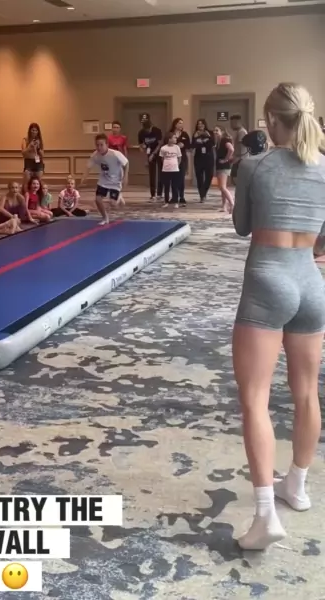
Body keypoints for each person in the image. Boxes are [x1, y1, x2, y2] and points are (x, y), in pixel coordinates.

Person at [232, 82, 325, 551]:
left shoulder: (254, 165)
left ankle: (266, 515)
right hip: (311, 283)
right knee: (307, 392)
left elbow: (242, 226)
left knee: (255, 398)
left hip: (267, 282)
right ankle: (298, 486)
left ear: (270, 120)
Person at [80, 133, 129, 225]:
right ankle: (105, 217)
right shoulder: (95, 155)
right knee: (98, 199)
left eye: (101, 145)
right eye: (97, 145)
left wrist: (125, 177)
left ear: (107, 144)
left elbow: (126, 163)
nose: (99, 147)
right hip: (104, 180)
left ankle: (119, 196)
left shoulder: (115, 154)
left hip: (116, 181)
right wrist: (84, 178)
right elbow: (88, 167)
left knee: (113, 204)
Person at [138, 113, 162, 201]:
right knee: (152, 174)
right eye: (146, 131)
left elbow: (160, 144)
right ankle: (153, 194)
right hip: (149, 153)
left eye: (148, 130)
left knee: (160, 173)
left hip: (159, 153)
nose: (147, 132)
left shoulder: (157, 130)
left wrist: (153, 154)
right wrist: (142, 148)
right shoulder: (141, 133)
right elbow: (141, 145)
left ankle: (160, 193)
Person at [192, 119, 215, 202]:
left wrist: (208, 136)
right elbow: (193, 145)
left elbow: (213, 143)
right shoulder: (195, 134)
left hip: (208, 157)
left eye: (202, 124)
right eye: (198, 124)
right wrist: (195, 137)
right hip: (198, 158)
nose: (200, 125)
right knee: (199, 177)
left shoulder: (210, 133)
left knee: (210, 176)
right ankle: (202, 196)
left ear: (205, 125)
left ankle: (204, 192)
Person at [169, 118, 191, 205]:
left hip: (183, 158)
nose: (181, 125)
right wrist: (175, 145)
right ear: (175, 124)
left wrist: (184, 145)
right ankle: (174, 197)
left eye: (182, 123)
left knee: (181, 178)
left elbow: (189, 145)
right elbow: (165, 144)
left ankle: (182, 196)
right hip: (172, 158)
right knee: (173, 178)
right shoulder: (170, 133)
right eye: (179, 123)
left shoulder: (185, 134)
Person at [213, 126, 235, 213]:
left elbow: (231, 149)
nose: (215, 132)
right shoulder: (218, 141)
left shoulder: (224, 140)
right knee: (222, 188)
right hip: (219, 166)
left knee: (222, 187)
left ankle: (232, 204)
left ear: (222, 131)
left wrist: (226, 159)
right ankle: (224, 206)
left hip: (224, 166)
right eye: (214, 130)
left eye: (217, 130)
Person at [159, 133, 181, 207]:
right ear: (169, 139)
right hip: (166, 170)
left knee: (175, 186)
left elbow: (179, 157)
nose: (176, 139)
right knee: (166, 186)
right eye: (174, 138)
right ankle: (166, 202)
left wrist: (176, 165)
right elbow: (162, 158)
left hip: (175, 169)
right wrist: (166, 164)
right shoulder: (163, 148)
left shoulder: (177, 147)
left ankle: (176, 202)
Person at [230, 114, 248, 183]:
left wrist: (238, 158)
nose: (231, 125)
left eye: (232, 123)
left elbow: (242, 147)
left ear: (237, 122)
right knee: (235, 180)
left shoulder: (241, 132)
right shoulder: (239, 132)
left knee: (237, 180)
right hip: (239, 159)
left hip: (240, 160)